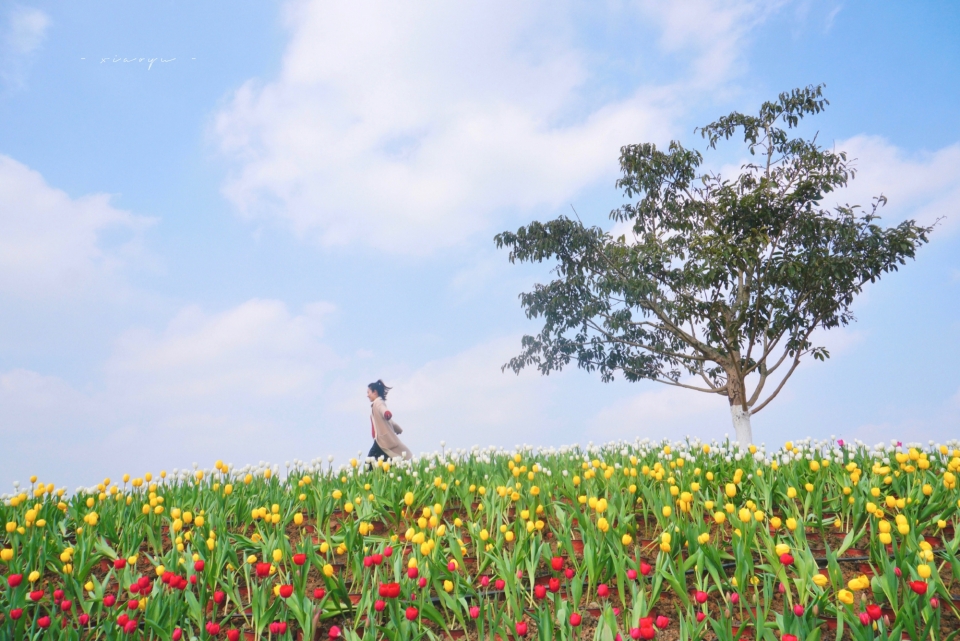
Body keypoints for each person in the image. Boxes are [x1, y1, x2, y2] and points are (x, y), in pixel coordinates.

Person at [366, 380, 411, 463]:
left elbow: (383, 409)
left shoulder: (378, 402)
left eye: (368, 392)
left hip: (381, 441)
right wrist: (398, 429)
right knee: (386, 462)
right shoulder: (375, 405)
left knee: (369, 462)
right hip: (381, 441)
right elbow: (390, 422)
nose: (367, 395)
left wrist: (387, 413)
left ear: (374, 392)